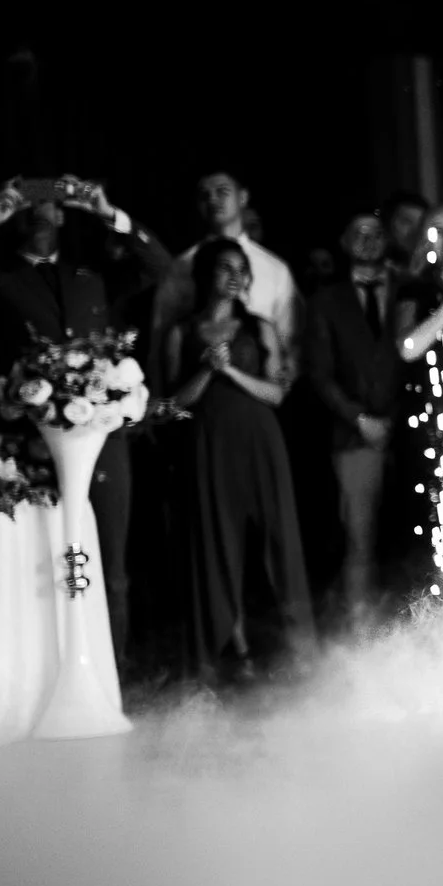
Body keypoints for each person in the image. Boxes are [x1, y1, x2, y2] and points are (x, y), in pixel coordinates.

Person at [0, 177, 170, 662]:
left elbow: (160, 267)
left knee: (110, 563)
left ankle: (113, 678)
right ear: (15, 218)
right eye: (29, 206)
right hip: (34, 438)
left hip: (102, 436)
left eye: (50, 205)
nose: (40, 213)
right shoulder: (1, 277)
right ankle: (51, 671)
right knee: (42, 561)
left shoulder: (92, 275)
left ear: (66, 216)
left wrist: (110, 213)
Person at [164, 240, 314, 678]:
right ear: (206, 274)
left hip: (260, 441)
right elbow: (172, 404)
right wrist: (207, 370)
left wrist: (229, 370)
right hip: (208, 444)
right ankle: (230, 648)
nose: (234, 275)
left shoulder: (260, 327)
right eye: (224, 267)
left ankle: (298, 650)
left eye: (241, 269)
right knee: (216, 544)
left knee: (279, 539)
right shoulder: (181, 332)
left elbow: (277, 393)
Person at [302, 213, 405, 624]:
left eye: (377, 232)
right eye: (359, 232)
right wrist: (360, 418)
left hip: (409, 429)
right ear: (344, 241)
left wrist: (396, 419)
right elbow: (319, 374)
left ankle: (412, 624)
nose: (369, 240)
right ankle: (362, 631)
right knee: (359, 536)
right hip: (354, 434)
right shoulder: (326, 301)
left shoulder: (407, 291)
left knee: (407, 531)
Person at [158, 172, 301, 384]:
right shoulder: (181, 267)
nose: (212, 200)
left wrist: (286, 376)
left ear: (242, 197)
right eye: (204, 195)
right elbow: (160, 332)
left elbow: (291, 340)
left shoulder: (274, 269)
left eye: (222, 192)